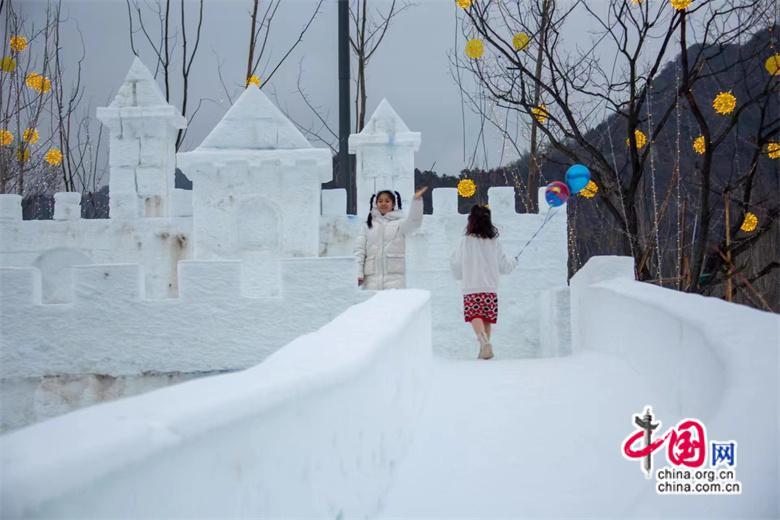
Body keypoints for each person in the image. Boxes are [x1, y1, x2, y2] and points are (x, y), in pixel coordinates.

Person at [450, 204, 517, 359]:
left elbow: (456, 263)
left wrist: (458, 275)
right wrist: (514, 261)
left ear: (471, 221)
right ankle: (484, 349)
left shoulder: (465, 241)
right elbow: (504, 266)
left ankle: (483, 342)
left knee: (475, 315)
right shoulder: (494, 242)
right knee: (486, 318)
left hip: (471, 286)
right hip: (490, 288)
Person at [354, 186, 428, 290]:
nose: (383, 203)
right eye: (380, 201)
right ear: (375, 204)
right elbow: (359, 251)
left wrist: (417, 201)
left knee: (393, 301)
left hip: (395, 281)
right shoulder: (367, 226)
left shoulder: (400, 224)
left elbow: (414, 222)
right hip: (371, 281)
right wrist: (358, 273)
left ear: (393, 204)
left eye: (387, 201)